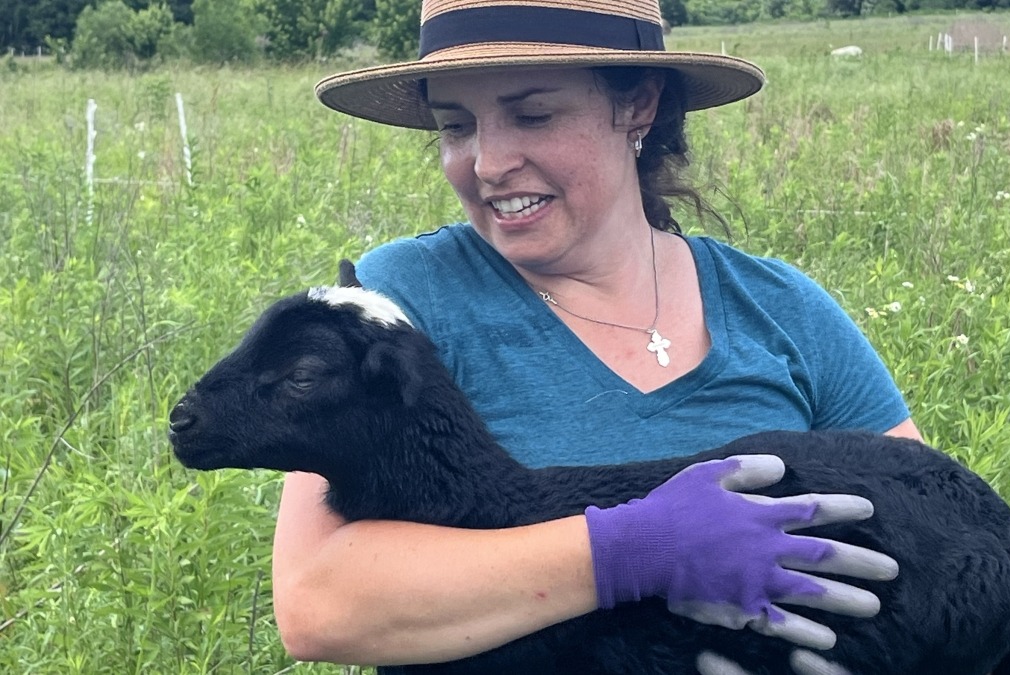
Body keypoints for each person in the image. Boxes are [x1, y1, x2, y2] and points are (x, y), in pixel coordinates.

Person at [273, 1, 924, 673]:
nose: (489, 162)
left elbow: (925, 526)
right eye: (455, 125)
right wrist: (635, 549)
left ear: (639, 103)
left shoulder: (783, 310)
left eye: (533, 115)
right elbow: (317, 601)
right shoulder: (398, 304)